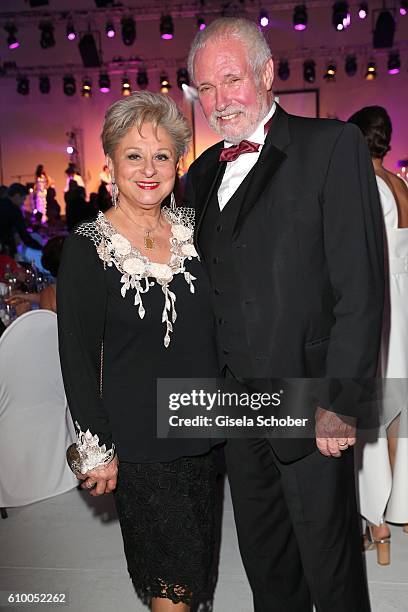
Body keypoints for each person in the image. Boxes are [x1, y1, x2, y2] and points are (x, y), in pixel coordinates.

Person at [186, 18, 384, 612]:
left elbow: (362, 290)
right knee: (267, 569)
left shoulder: (332, 147)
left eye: (231, 80)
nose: (220, 101)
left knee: (332, 572)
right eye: (207, 89)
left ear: (267, 74)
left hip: (312, 404)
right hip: (235, 413)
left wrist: (342, 403)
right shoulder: (199, 175)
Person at [57, 91, 220, 611]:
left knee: (196, 579)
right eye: (134, 155)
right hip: (142, 447)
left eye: (162, 156)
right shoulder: (89, 247)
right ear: (109, 163)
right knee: (170, 588)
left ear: (179, 162)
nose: (149, 169)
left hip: (206, 435)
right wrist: (97, 447)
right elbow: (77, 358)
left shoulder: (198, 232)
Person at [349, 106, 408, 564]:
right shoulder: (401, 185)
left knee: (371, 409)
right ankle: (399, 506)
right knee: (399, 410)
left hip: (377, 305)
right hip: (404, 303)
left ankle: (377, 523)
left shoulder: (362, 187)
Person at [0, 183, 42, 257]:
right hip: (5, 249)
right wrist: (41, 248)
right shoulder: (13, 209)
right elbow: (24, 236)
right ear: (16, 195)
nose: (23, 202)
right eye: (23, 198)